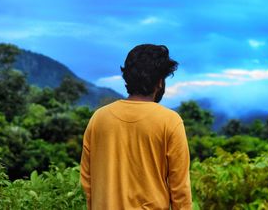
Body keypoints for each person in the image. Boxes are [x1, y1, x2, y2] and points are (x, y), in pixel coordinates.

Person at [80, 44, 192, 209]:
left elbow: (86, 182)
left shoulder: (99, 118)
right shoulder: (170, 121)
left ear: (127, 78)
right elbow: (180, 191)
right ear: (160, 82)